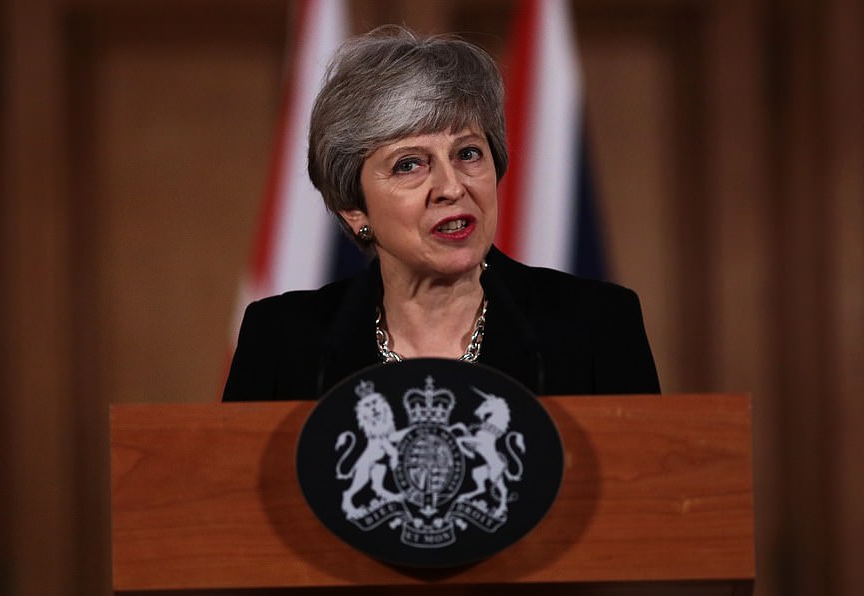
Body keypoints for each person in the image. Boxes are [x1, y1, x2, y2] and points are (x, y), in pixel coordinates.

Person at [223, 26, 659, 402]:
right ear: (354, 209)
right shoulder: (282, 341)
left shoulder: (597, 326)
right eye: (409, 164)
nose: (452, 187)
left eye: (468, 153)